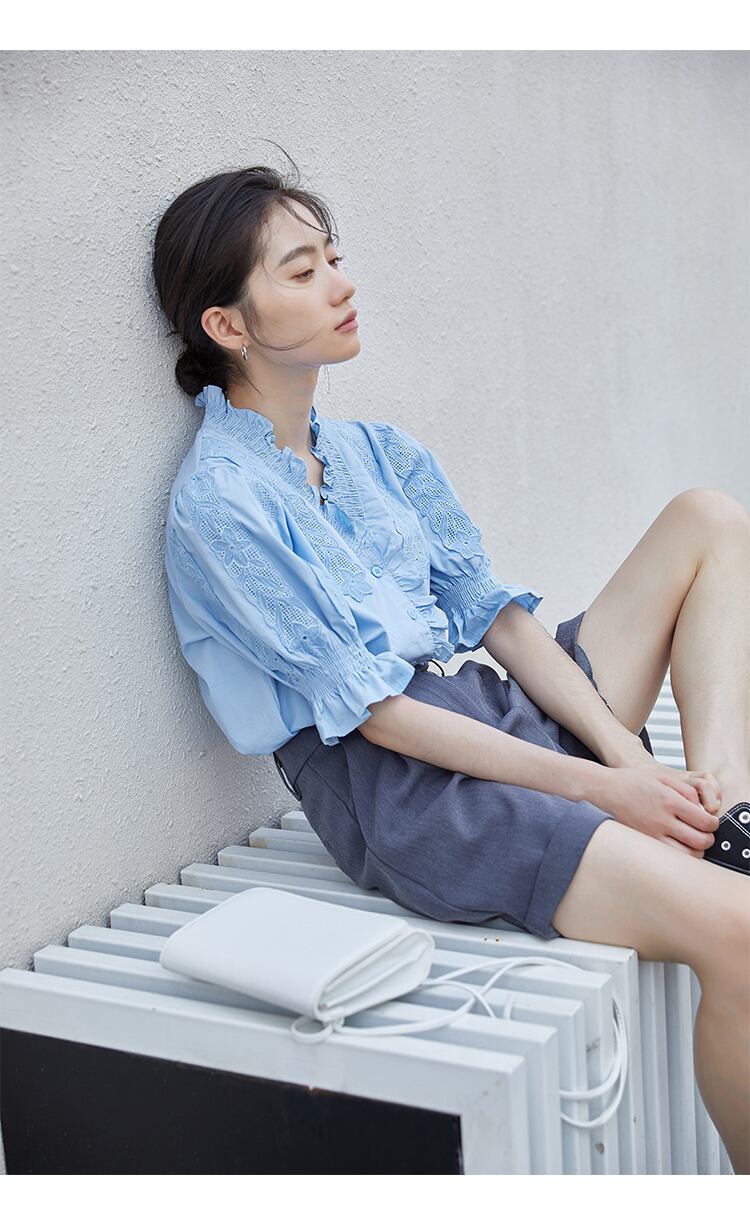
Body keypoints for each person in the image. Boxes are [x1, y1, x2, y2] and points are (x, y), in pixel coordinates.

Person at [151, 150, 750, 1172]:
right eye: (302, 270)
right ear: (228, 325)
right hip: (407, 793)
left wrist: (627, 757)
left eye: (334, 257)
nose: (341, 284)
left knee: (709, 520)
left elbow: (501, 625)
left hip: (486, 714)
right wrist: (604, 785)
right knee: (737, 932)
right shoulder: (221, 503)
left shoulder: (377, 453)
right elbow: (378, 715)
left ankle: (726, 804)